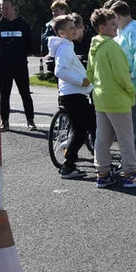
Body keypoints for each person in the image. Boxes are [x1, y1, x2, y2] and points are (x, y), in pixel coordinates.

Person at [86, 9, 136, 189]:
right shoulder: (113, 47)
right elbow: (122, 74)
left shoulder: (94, 47)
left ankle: (102, 174)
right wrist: (130, 92)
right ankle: (130, 174)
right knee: (126, 138)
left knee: (102, 139)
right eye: (112, 24)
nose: (116, 27)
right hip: (117, 98)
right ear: (102, 27)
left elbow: (90, 72)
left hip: (100, 97)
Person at [49, 14, 95, 180]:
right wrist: (80, 81)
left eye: (75, 26)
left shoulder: (66, 46)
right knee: (84, 129)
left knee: (88, 127)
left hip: (74, 94)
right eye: (71, 28)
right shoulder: (65, 48)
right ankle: (69, 166)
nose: (75, 29)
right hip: (73, 95)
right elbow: (59, 70)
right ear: (62, 32)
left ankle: (97, 162)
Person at [109, 0, 136, 170]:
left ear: (119, 16)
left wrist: (133, 75)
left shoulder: (133, 29)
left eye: (114, 19)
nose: (113, 24)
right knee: (130, 119)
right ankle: (135, 152)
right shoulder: (125, 29)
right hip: (128, 82)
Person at [0, 0, 37, 130]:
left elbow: (29, 44)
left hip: (20, 65)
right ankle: (4, 121)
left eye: (7, 7)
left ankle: (30, 120)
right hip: (4, 67)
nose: (4, 10)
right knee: (4, 95)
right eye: (2, 8)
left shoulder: (23, 25)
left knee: (25, 94)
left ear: (14, 8)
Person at [40, 0, 69, 73]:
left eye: (56, 10)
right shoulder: (50, 25)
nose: (54, 13)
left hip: (69, 59)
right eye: (53, 11)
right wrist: (53, 39)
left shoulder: (71, 23)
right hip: (55, 61)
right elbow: (44, 39)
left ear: (64, 10)